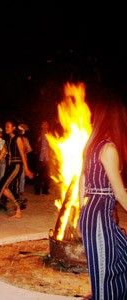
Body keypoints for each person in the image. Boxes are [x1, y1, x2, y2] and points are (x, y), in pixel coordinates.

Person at [78, 93, 127, 300]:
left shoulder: (91, 147)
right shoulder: (108, 148)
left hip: (92, 214)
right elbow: (119, 192)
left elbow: (81, 182)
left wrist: (81, 214)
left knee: (121, 258)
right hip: (98, 217)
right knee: (104, 272)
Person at [0, 118, 34, 219]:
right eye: (5, 126)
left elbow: (23, 155)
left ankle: (18, 208)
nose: (5, 128)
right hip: (10, 166)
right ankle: (18, 208)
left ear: (13, 128)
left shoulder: (18, 139)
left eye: (8, 126)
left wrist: (27, 169)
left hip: (16, 166)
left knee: (1, 187)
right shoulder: (7, 141)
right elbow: (1, 155)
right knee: (3, 188)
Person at [34, 120, 51, 195]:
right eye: (43, 124)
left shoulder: (50, 134)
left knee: (47, 175)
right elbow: (35, 143)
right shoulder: (38, 134)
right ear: (41, 126)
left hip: (47, 158)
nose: (45, 126)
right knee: (38, 174)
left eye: (46, 124)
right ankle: (37, 190)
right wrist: (38, 140)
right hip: (40, 157)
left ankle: (45, 190)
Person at [17, 123, 32, 195]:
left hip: (23, 160)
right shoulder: (15, 139)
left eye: (21, 131)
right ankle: (15, 189)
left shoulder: (25, 140)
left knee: (22, 175)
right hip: (16, 160)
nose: (20, 132)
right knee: (16, 175)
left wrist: (26, 149)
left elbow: (29, 149)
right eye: (19, 130)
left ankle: (21, 190)